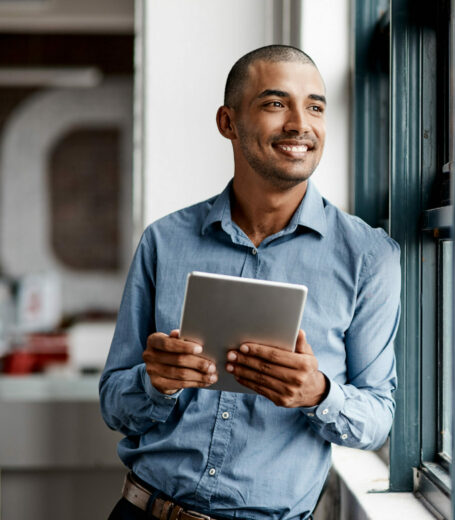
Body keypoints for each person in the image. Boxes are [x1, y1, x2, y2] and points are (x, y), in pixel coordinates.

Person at [100, 45, 400, 520]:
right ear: (228, 123)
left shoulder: (368, 257)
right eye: (276, 103)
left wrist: (319, 394)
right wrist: (155, 382)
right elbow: (115, 405)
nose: (301, 124)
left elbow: (379, 419)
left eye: (316, 106)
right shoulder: (164, 241)